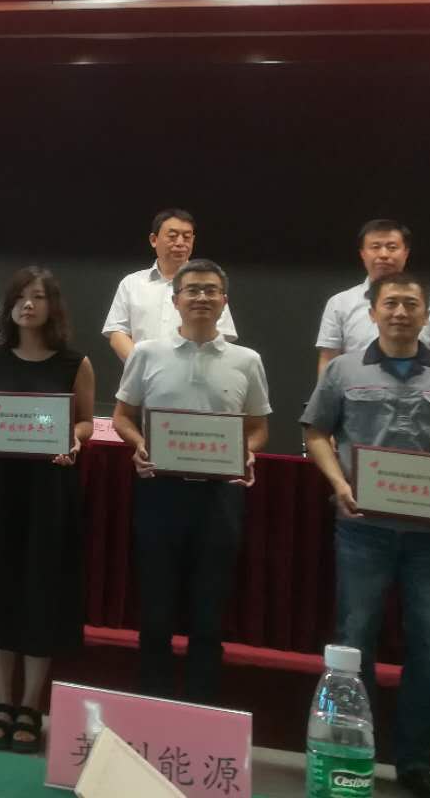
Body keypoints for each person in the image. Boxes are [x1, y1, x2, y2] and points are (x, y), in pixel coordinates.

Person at [302, 271, 430, 798]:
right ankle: (348, 753)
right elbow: (315, 432)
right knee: (353, 644)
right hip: (363, 532)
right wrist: (339, 484)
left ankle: (413, 763)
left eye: (411, 304)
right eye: (391, 303)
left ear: (427, 315)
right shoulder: (342, 370)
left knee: (428, 653)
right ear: (373, 312)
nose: (401, 312)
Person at [111, 259, 269, 704]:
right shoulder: (146, 353)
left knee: (209, 614)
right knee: (155, 610)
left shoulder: (247, 360)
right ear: (176, 300)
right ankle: (152, 706)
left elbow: (258, 428)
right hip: (160, 492)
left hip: (220, 497)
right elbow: (123, 417)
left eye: (211, 290)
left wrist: (247, 452)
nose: (202, 297)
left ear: (224, 301)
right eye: (193, 290)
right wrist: (140, 444)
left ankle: (202, 709)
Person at [0, 267, 93, 754]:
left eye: (38, 297)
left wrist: (71, 439)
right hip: (1, 485)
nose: (28, 305)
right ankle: (0, 701)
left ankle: (31, 706)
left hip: (50, 490)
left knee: (42, 593)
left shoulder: (74, 362)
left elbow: (84, 422)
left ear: (52, 306)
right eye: (20, 297)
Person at [316, 219, 430, 375]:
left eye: (392, 247)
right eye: (375, 247)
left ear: (406, 253)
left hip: (418, 388)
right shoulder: (339, 303)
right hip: (357, 388)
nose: (383, 254)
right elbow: (329, 360)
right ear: (362, 254)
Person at [102, 209, 237, 362]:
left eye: (187, 237)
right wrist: (143, 366)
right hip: (141, 374)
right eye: (172, 236)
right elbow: (117, 333)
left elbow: (222, 335)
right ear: (154, 240)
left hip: (195, 371)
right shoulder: (131, 283)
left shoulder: (209, 285)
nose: (180, 243)